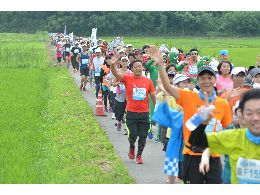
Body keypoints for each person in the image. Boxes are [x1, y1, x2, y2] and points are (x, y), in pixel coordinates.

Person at [149, 45, 232, 183]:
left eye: (210, 78)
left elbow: (228, 130)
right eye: (203, 78)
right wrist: (160, 65)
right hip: (192, 155)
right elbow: (168, 86)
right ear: (197, 81)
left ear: (214, 80)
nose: (206, 81)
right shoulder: (188, 97)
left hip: (214, 156)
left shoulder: (222, 103)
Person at [199, 88, 260, 184]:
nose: (255, 118)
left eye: (259, 112)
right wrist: (205, 157)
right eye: (249, 113)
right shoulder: (233, 136)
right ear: (242, 115)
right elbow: (201, 142)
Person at [108, 56, 156, 164]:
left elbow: (152, 95)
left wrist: (156, 107)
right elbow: (115, 73)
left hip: (144, 113)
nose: (138, 68)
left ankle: (139, 155)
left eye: (140, 66)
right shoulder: (127, 79)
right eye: (135, 67)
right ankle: (132, 147)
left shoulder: (148, 81)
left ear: (143, 68)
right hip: (131, 112)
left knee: (143, 136)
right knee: (133, 134)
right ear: (132, 69)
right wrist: (112, 64)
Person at [112, 56, 132, 133]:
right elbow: (113, 84)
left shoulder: (130, 72)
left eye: (126, 61)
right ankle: (119, 121)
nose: (124, 62)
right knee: (120, 111)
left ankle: (127, 128)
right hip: (120, 94)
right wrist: (119, 83)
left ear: (128, 63)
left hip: (128, 94)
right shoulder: (117, 72)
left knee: (128, 111)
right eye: (123, 61)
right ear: (120, 62)